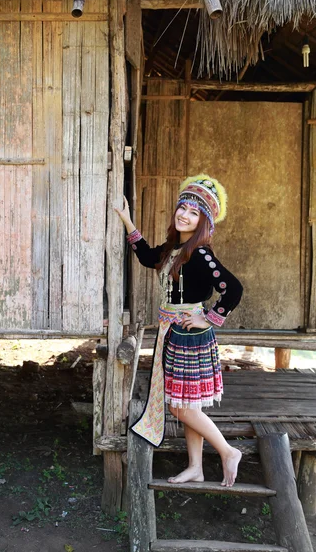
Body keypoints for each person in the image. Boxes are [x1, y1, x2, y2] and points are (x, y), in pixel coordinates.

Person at [115, 174, 243, 487]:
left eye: (194, 212)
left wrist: (209, 318)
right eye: (182, 208)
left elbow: (233, 289)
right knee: (189, 404)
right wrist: (126, 219)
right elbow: (147, 256)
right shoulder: (176, 247)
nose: (184, 214)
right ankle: (195, 467)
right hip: (173, 333)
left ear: (204, 222)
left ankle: (228, 451)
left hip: (190, 337)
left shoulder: (200, 253)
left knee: (181, 407)